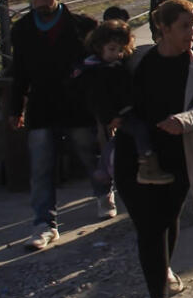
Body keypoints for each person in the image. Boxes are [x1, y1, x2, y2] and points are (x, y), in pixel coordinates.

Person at [116, 0, 193, 298]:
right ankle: (161, 284)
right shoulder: (135, 61)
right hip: (133, 151)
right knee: (146, 223)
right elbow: (108, 91)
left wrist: (185, 119)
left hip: (178, 152)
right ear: (162, 28)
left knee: (162, 220)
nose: (192, 32)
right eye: (184, 26)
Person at [9, 0, 107, 250]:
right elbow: (19, 73)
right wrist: (16, 108)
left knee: (88, 153)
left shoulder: (82, 26)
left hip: (76, 104)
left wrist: (100, 103)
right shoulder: (23, 29)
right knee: (40, 166)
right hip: (41, 106)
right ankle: (44, 224)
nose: (40, 2)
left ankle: (102, 192)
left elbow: (98, 66)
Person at [70, 20, 171, 198]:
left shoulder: (115, 64)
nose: (117, 54)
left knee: (116, 141)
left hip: (124, 110)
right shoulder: (96, 71)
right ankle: (147, 162)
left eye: (121, 50)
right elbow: (98, 99)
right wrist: (109, 117)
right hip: (115, 114)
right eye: (112, 49)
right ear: (99, 46)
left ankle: (103, 169)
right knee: (138, 132)